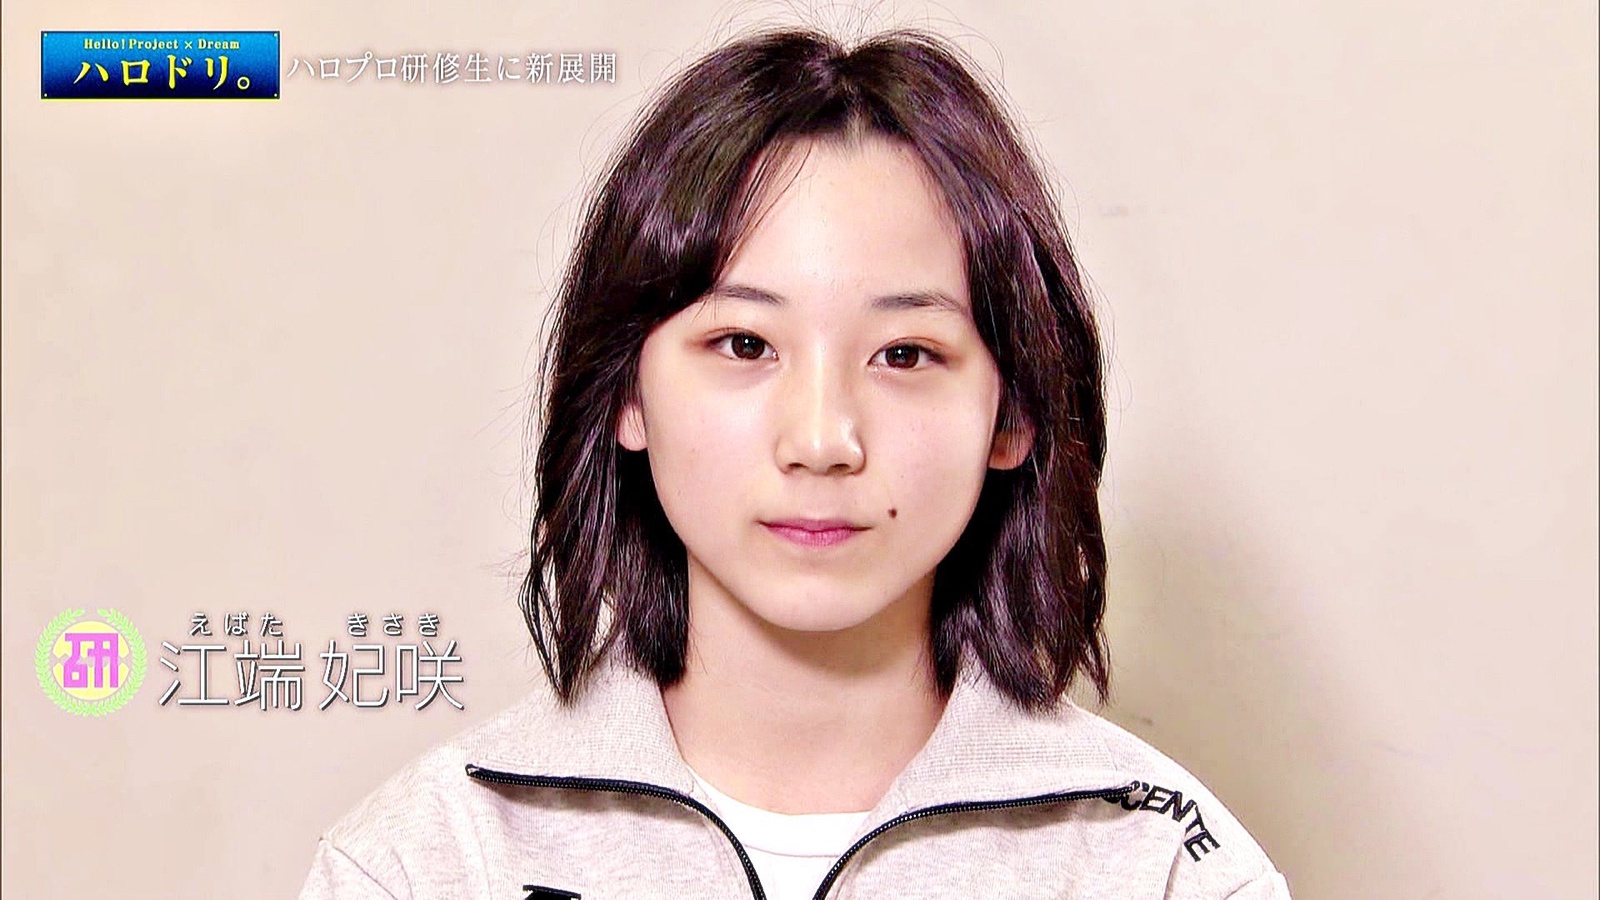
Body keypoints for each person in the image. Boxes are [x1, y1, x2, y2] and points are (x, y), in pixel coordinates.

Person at [300, 26, 1291, 899]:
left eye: (906, 355)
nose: (821, 441)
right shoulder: (426, 864)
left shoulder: (1167, 871)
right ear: (628, 394)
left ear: (1013, 415)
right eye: (744, 345)